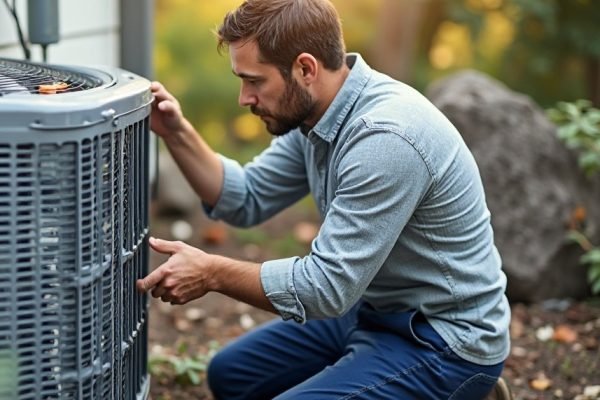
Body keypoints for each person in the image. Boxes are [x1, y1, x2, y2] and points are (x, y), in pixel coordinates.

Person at [137, 0, 512, 398]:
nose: (244, 98)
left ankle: (465, 390)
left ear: (305, 68)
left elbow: (326, 287)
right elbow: (245, 197)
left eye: (255, 81)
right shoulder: (317, 114)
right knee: (233, 376)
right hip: (372, 309)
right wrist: (175, 132)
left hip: (441, 339)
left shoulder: (385, 139)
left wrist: (212, 272)